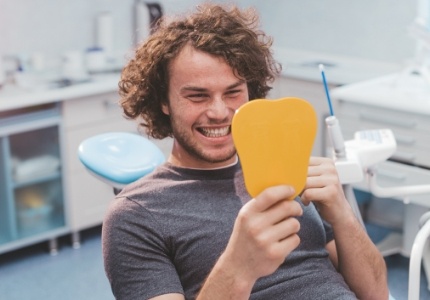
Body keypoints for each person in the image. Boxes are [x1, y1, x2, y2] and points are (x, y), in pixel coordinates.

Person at [102, 3, 389, 300]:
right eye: (197, 96)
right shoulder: (136, 215)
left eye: (233, 92)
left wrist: (342, 215)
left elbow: (377, 294)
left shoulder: (286, 171)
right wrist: (239, 266)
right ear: (164, 101)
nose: (218, 112)